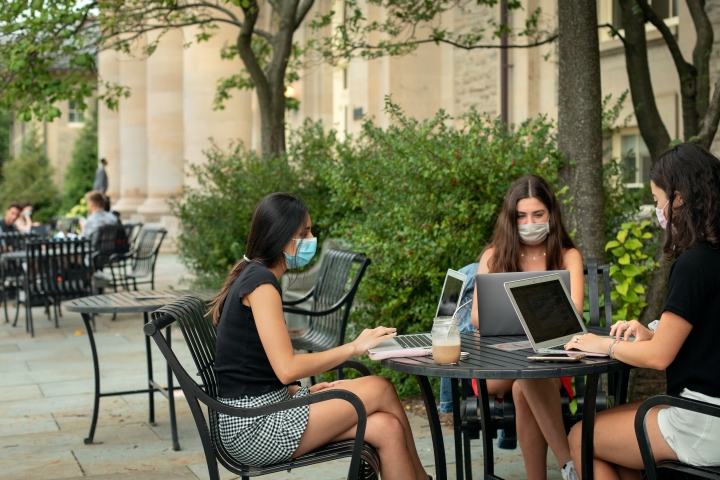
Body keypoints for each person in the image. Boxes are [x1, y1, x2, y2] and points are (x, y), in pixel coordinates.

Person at [210, 192, 429, 480]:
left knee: (386, 428)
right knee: (381, 388)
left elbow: (250, 364)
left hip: (261, 411)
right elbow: (287, 368)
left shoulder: (254, 276)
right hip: (252, 428)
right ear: (283, 237)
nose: (311, 238)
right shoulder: (261, 285)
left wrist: (302, 393)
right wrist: (355, 347)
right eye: (305, 232)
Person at [566, 143, 720, 479]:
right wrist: (654, 333)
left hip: (703, 420)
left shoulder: (694, 264)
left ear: (677, 198)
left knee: (581, 436)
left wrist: (602, 344)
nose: (657, 209)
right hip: (709, 411)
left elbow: (658, 358)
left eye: (656, 199)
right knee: (615, 448)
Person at [470, 175, 585, 480]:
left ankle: (556, 472)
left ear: (551, 214)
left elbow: (574, 312)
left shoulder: (567, 256)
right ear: (511, 218)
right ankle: (570, 464)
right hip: (497, 363)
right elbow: (477, 318)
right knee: (522, 376)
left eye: (537, 214)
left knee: (525, 385)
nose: (529, 222)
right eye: (521, 216)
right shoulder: (494, 256)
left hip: (549, 359)